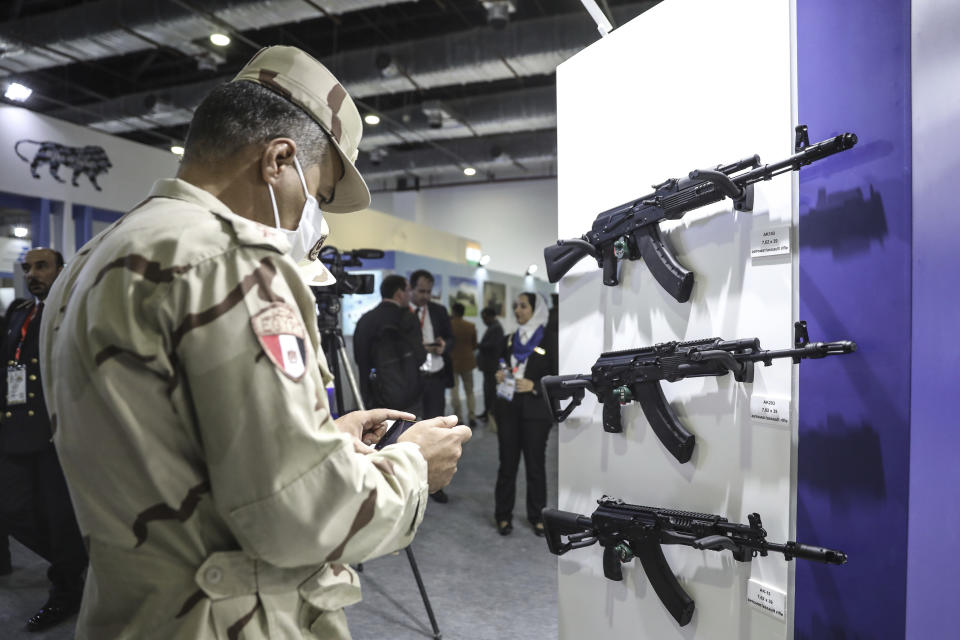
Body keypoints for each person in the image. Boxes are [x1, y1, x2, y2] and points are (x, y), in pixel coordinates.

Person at [38, 46, 471, 640]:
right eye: (316, 194)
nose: (312, 218)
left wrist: (319, 438)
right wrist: (415, 466)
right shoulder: (231, 261)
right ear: (279, 160)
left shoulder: (96, 258)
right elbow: (299, 517)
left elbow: (161, 446)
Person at [0, 248, 87, 631]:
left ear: (61, 271)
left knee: (61, 519)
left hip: (57, 430)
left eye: (41, 266)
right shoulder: (18, 313)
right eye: (27, 268)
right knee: (12, 510)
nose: (32, 274)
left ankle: (67, 590)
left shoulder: (72, 311)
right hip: (16, 429)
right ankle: (83, 566)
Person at [493, 292, 557, 537]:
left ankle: (537, 516)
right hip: (508, 409)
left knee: (535, 466)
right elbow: (498, 362)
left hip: (536, 412)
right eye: (515, 306)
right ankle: (503, 515)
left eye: (523, 306)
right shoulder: (510, 339)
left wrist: (535, 386)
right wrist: (499, 373)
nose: (517, 310)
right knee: (507, 465)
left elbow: (557, 373)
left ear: (535, 309)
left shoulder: (549, 339)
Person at [409, 269, 456, 503]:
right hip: (411, 379)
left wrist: (443, 346)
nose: (425, 296)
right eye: (421, 291)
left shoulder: (439, 311)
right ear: (411, 289)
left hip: (436, 377)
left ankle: (434, 483)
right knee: (410, 430)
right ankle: (409, 480)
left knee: (436, 431)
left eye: (429, 292)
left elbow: (451, 338)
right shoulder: (403, 313)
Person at [353, 274, 425, 411]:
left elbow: (360, 359)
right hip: (407, 398)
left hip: (374, 397)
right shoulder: (408, 318)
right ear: (399, 294)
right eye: (408, 290)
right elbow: (420, 356)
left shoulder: (365, 320)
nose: (410, 295)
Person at [448, 302, 478, 426]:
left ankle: (458, 417)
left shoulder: (449, 325)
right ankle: (472, 416)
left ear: (453, 311)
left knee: (454, 392)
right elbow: (474, 344)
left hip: (452, 362)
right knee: (469, 391)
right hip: (468, 362)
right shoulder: (471, 326)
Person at [476, 306, 504, 426]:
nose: (483, 321)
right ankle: (487, 412)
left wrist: (479, 345)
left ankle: (490, 413)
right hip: (488, 366)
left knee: (490, 391)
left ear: (491, 317)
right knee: (488, 390)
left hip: (491, 366)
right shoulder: (493, 327)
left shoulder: (496, 328)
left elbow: (492, 345)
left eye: (485, 318)